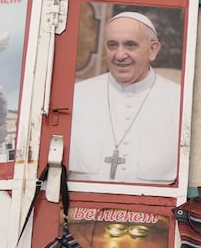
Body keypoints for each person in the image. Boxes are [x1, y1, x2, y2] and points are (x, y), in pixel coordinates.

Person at [68, 10, 182, 183]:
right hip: (84, 208)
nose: (120, 55)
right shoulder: (76, 95)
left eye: (130, 45)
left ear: (152, 50)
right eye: (112, 45)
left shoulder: (178, 99)